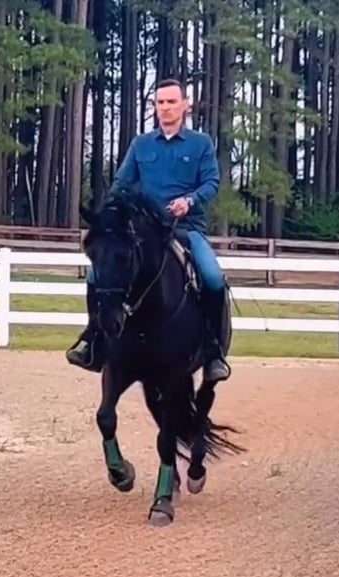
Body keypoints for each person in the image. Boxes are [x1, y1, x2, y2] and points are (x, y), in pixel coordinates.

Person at [66, 78, 231, 383]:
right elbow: (121, 184)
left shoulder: (201, 144)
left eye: (171, 101)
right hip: (145, 233)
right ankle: (93, 338)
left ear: (185, 105)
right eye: (160, 102)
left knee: (213, 278)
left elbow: (211, 183)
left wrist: (189, 201)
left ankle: (213, 351)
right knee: (95, 275)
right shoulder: (141, 145)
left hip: (186, 229)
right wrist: (114, 213)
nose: (166, 107)